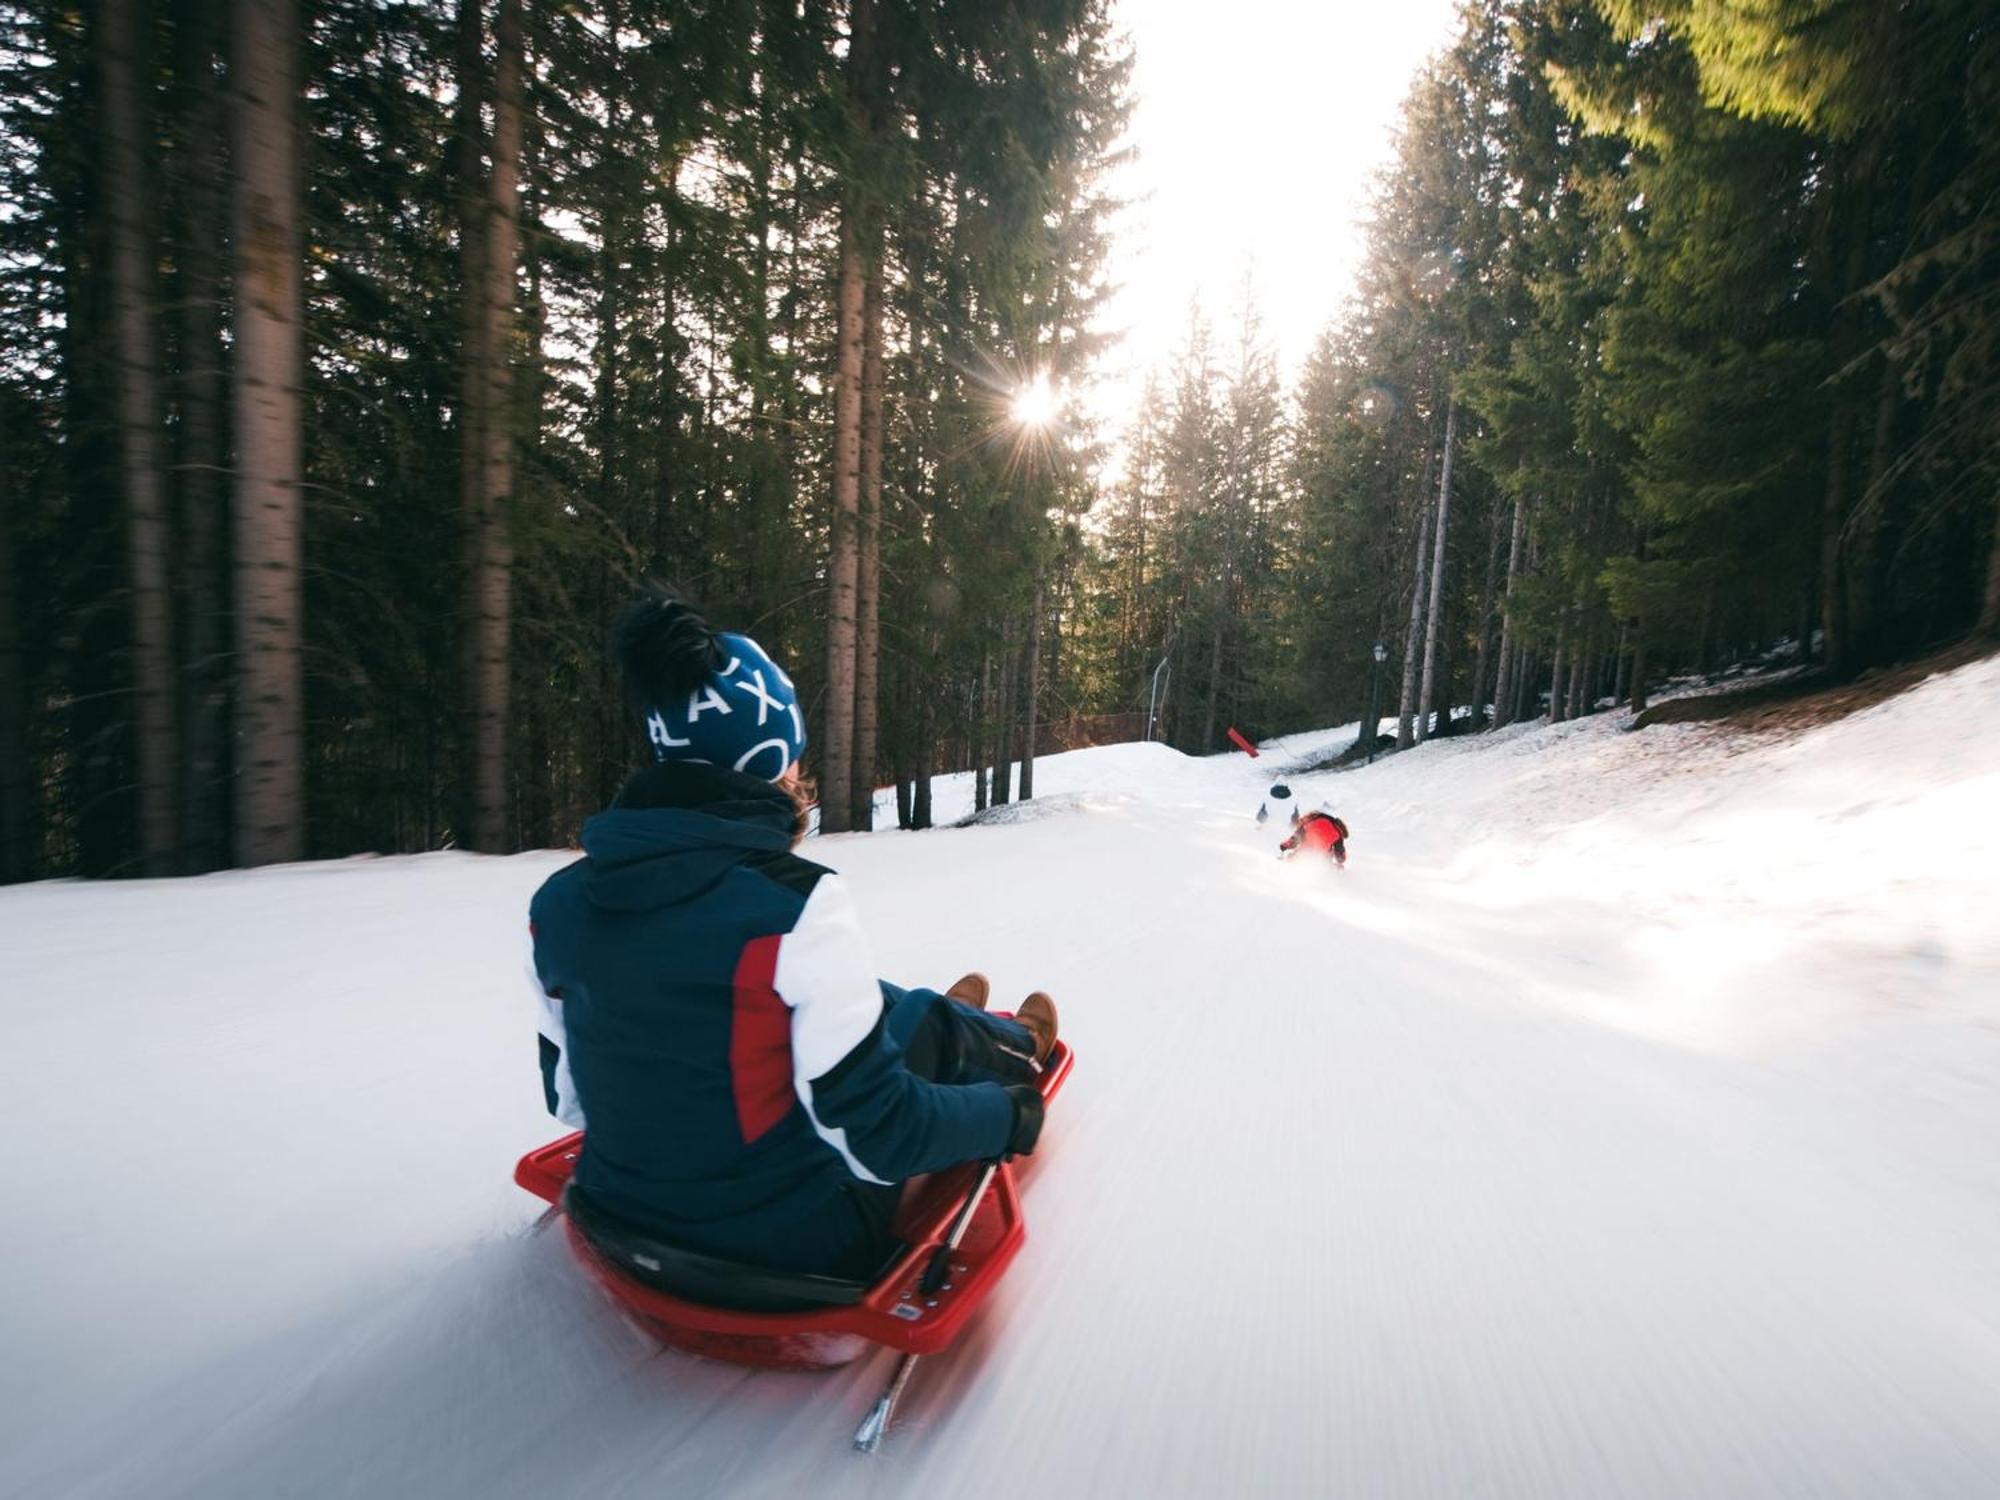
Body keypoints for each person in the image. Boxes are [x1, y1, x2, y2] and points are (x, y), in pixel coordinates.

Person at [528, 586, 1058, 1282]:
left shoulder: (556, 903)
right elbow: (879, 1136)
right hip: (785, 1252)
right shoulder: (796, 903)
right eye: (796, 757)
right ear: (771, 761)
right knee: (916, 1024)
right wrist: (1011, 1117)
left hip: (617, 1216)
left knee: (827, 1002)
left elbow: (567, 1099)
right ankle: (1001, 1045)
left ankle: (913, 1019)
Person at [1279, 805, 1349, 868]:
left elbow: (1294, 840)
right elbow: (1341, 857)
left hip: (1303, 854)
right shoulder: (1338, 833)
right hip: (1322, 861)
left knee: (1291, 859)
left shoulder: (1309, 823)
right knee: (1329, 858)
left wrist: (1285, 845)